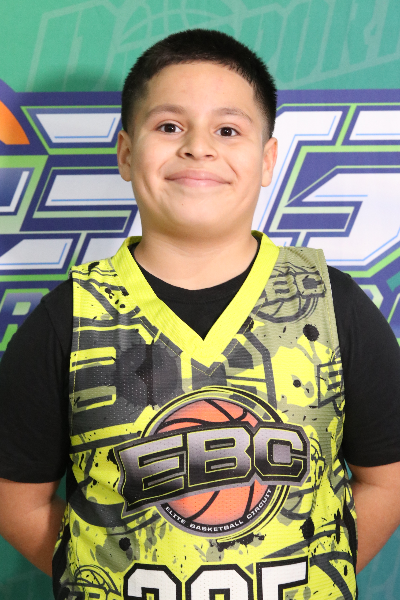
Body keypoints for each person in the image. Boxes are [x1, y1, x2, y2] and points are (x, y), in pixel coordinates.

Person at [1, 29, 400, 600]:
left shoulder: (330, 304)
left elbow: (388, 477)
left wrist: (323, 575)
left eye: (228, 130)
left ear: (267, 160)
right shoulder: (71, 317)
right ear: (126, 153)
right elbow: (17, 496)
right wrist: (94, 576)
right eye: (169, 126)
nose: (198, 147)